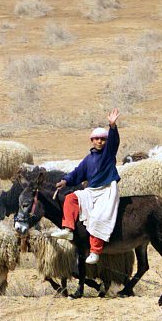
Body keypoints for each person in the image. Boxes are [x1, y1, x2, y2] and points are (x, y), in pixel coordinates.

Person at [51, 108, 121, 265]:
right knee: (71, 198)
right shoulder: (88, 159)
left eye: (103, 139)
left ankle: (95, 251)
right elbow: (77, 173)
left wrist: (112, 126)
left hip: (107, 190)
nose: (99, 141)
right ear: (92, 140)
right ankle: (68, 229)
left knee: (97, 217)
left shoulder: (108, 153)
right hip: (91, 190)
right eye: (96, 139)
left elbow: (114, 141)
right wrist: (65, 181)